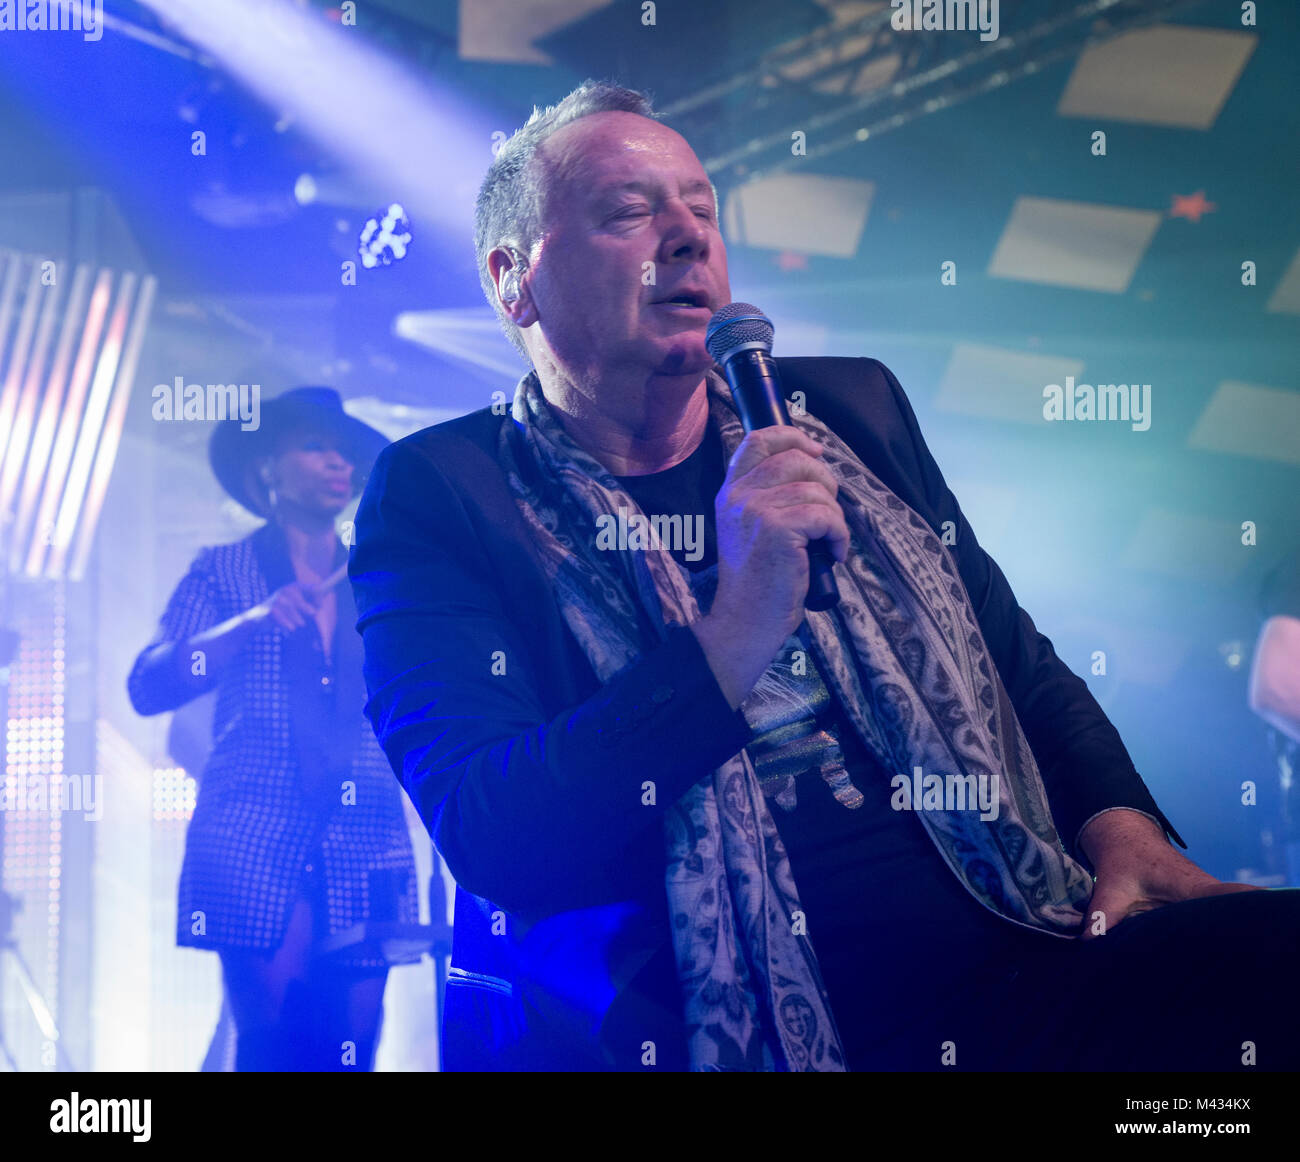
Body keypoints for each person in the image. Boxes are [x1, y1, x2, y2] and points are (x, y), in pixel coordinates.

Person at [349, 80, 1300, 1071]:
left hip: (1027, 940)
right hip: (724, 1018)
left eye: (701, 208)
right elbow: (491, 829)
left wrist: (1124, 829)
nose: (685, 236)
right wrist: (736, 629)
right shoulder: (442, 492)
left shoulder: (847, 408)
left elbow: (1015, 662)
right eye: (629, 212)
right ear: (514, 279)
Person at [129, 387, 420, 1072]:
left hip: (366, 833)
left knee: (354, 1050)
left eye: (345, 453)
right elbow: (150, 683)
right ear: (268, 467)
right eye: (315, 446)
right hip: (253, 828)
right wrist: (250, 622)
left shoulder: (377, 576)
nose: (336, 464)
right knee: (269, 1047)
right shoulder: (221, 569)